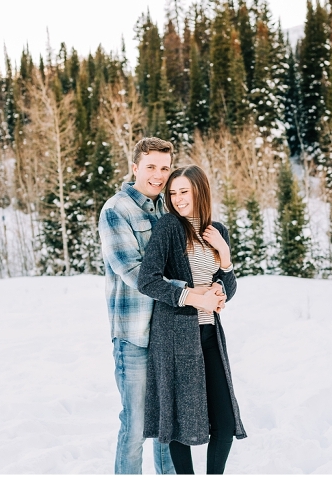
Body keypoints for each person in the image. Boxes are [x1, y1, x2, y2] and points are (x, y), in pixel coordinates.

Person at [99, 138, 221, 474]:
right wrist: (192, 294)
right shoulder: (116, 210)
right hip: (135, 336)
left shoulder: (170, 210)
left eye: (164, 168)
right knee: (136, 425)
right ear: (135, 168)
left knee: (168, 424)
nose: (158, 175)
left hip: (169, 334)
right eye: (150, 167)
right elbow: (133, 272)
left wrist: (217, 280)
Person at [137, 165, 247, 475]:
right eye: (173, 193)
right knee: (178, 421)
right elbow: (147, 280)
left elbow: (229, 289)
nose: (178, 198)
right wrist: (192, 296)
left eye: (184, 191)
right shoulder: (169, 227)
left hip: (210, 334)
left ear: (200, 191)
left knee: (225, 422)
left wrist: (224, 258)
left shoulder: (217, 231)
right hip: (175, 336)